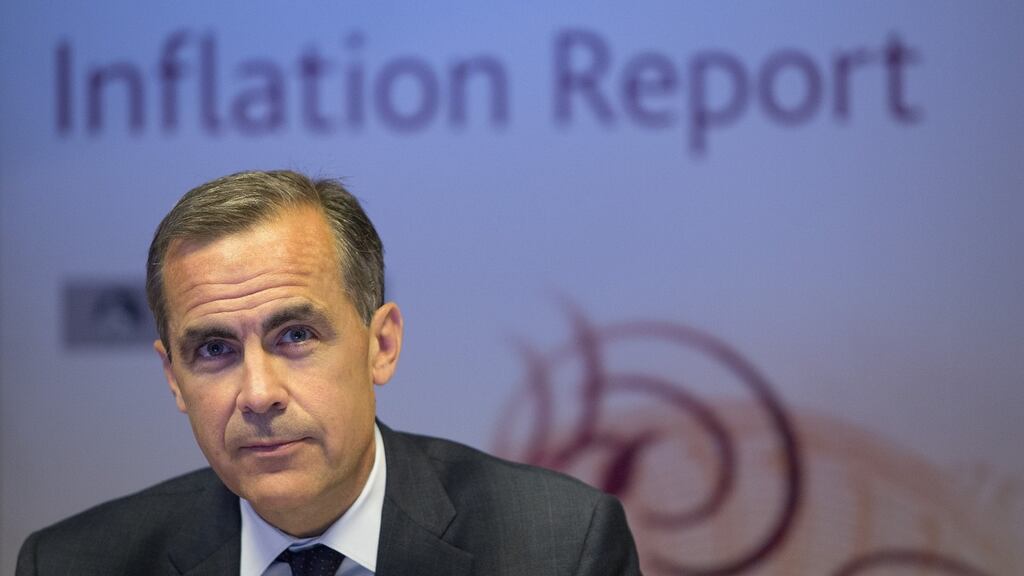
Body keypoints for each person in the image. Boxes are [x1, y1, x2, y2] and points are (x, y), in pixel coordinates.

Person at [16, 170, 641, 576]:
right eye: (213, 350)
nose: (258, 395)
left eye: (295, 336)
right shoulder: (72, 563)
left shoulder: (558, 549)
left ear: (381, 345)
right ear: (173, 378)